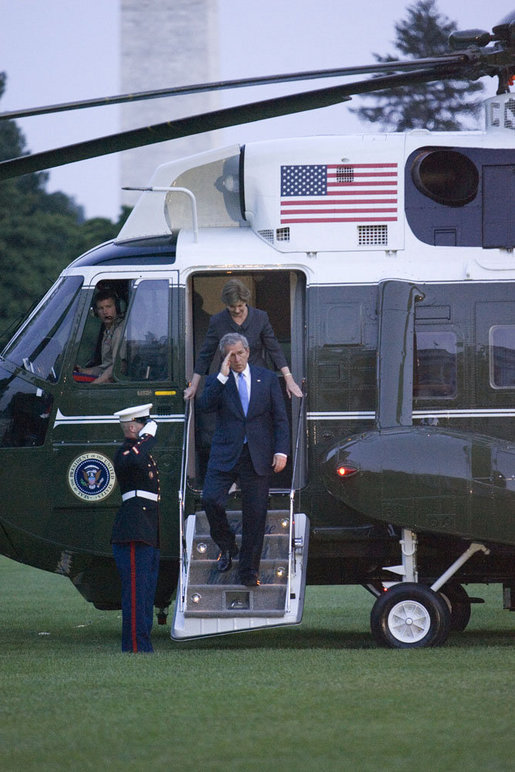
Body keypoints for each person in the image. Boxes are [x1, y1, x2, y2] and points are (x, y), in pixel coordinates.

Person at [198, 333, 290, 586]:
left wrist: (281, 451)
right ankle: (227, 546)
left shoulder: (268, 378)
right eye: (230, 354)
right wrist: (222, 375)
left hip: (257, 455)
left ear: (248, 352)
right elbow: (204, 405)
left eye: (239, 353)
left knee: (255, 514)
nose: (236, 358)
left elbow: (280, 418)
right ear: (224, 356)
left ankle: (249, 571)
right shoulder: (219, 380)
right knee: (210, 499)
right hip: (225, 453)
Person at [184, 278, 302, 400]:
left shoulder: (260, 317)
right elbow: (205, 354)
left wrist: (289, 379)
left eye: (240, 305)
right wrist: (194, 386)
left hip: (257, 377)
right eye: (232, 306)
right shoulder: (217, 321)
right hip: (228, 379)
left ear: (246, 301)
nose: (236, 310)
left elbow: (274, 349)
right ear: (225, 303)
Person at [111, 403, 160, 653]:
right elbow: (136, 459)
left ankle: (143, 643)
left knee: (146, 593)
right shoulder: (126, 453)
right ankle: (134, 647)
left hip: (147, 529)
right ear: (133, 426)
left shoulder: (139, 452)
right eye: (143, 423)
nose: (146, 428)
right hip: (133, 529)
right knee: (135, 593)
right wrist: (148, 435)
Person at [75, 290, 124, 384]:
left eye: (108, 307)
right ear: (96, 312)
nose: (105, 312)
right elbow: (105, 368)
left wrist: (93, 386)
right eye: (101, 308)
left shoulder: (119, 331)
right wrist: (83, 372)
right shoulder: (108, 331)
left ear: (116, 308)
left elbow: (118, 367)